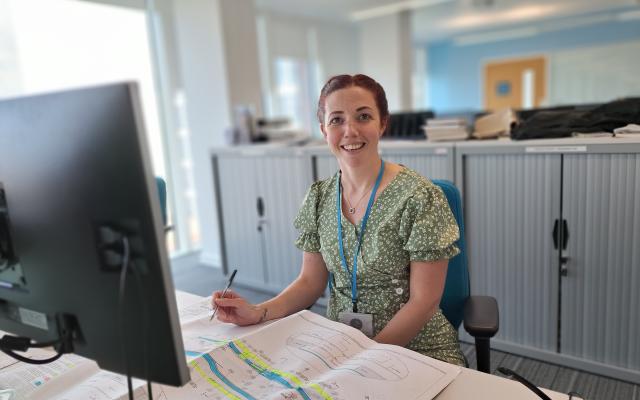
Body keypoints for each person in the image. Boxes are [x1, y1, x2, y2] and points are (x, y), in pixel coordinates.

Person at [212, 74, 465, 366]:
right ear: (323, 129)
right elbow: (309, 282)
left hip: (415, 349)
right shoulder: (319, 198)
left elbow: (424, 302)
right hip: (341, 345)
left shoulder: (420, 197)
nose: (350, 131)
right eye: (337, 120)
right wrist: (258, 312)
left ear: (382, 123)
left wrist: (365, 357)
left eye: (364, 116)